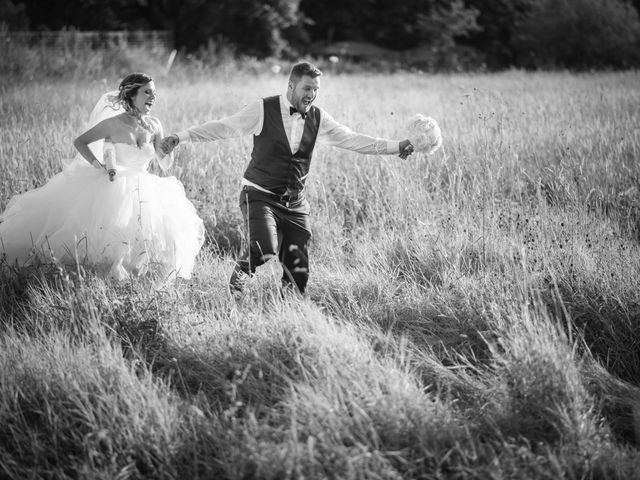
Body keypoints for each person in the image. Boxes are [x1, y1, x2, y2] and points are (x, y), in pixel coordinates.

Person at [161, 61, 441, 296]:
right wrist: (182, 137)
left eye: (316, 90)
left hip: (295, 203)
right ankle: (236, 290)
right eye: (307, 88)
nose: (312, 95)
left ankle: (287, 312)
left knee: (298, 274)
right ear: (291, 86)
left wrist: (397, 146)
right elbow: (223, 127)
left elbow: (354, 140)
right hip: (258, 194)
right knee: (263, 248)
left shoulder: (319, 118)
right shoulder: (263, 109)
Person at [0, 73, 205, 281]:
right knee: (108, 240)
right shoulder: (113, 124)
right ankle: (94, 281)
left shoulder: (155, 125)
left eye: (155, 93)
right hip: (114, 187)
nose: (153, 97)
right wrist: (99, 165)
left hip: (145, 187)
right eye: (147, 92)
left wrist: (169, 148)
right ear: (131, 95)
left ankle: (134, 281)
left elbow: (164, 164)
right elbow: (80, 142)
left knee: (146, 237)